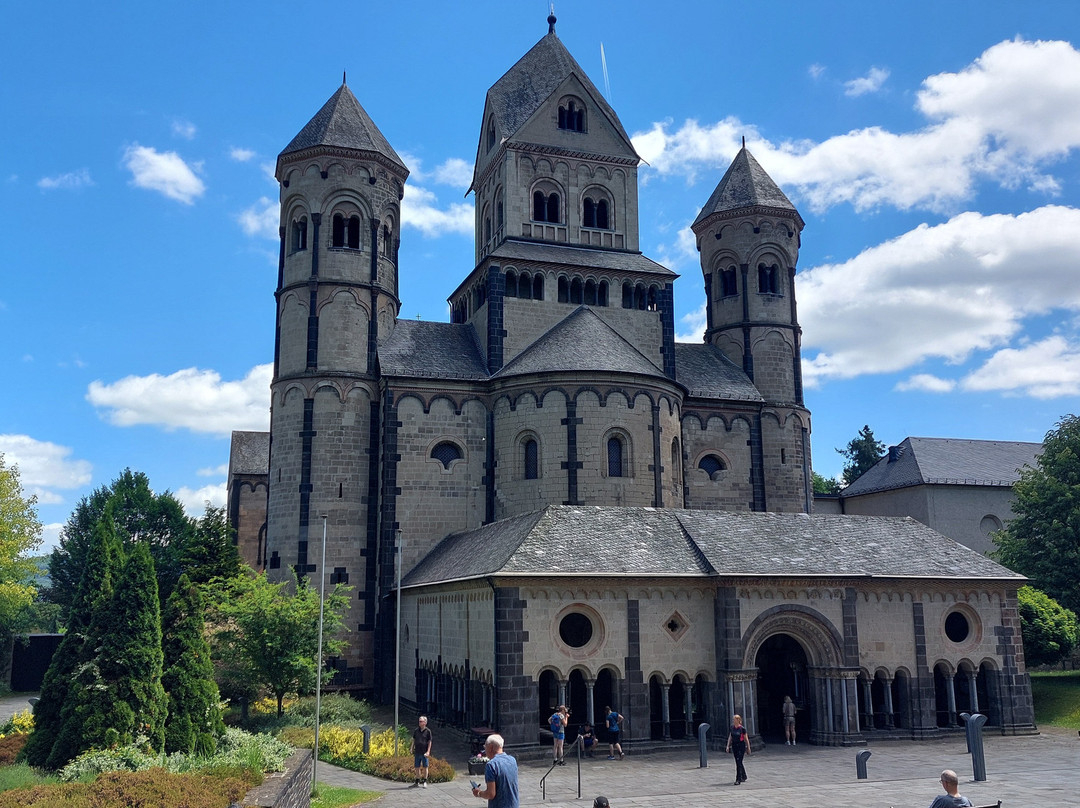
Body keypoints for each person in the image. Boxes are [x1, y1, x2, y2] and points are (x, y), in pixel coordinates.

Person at [472, 733, 519, 808]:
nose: (485, 750)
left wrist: (479, 793)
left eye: (485, 747)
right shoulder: (512, 760)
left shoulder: (491, 765)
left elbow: (491, 794)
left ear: (490, 747)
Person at [725, 713, 750, 785]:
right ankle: (744, 775)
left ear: (738, 720)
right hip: (734, 745)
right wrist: (727, 746)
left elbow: (746, 739)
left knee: (739, 761)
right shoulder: (732, 727)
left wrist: (748, 748)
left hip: (741, 745)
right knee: (738, 761)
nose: (733, 720)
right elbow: (730, 736)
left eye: (735, 719)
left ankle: (738, 779)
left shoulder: (742, 729)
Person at [412, 715, 433, 788]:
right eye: (419, 721)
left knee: (425, 766)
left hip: (424, 752)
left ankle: (425, 781)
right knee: (417, 767)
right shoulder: (416, 730)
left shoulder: (428, 731)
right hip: (417, 751)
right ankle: (417, 780)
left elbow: (429, 741)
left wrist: (428, 751)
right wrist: (411, 748)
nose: (419, 722)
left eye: (421, 721)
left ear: (425, 723)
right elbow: (414, 740)